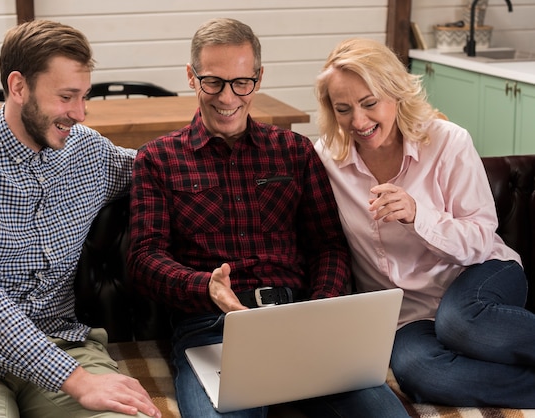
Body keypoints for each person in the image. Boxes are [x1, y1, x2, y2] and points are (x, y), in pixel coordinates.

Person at [127, 18, 409, 418]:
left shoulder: (294, 151)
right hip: (212, 329)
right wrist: (205, 287)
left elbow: (328, 245)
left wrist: (321, 309)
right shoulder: (158, 158)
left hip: (298, 319)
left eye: (241, 82)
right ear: (191, 77)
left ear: (258, 79)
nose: (228, 97)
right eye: (213, 81)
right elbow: (143, 259)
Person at [0, 19, 161, 418]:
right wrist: (80, 382)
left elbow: (162, 172)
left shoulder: (88, 152)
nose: (79, 113)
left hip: (61, 342)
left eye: (84, 96)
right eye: (66, 97)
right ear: (18, 87)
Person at [314, 37, 535, 408]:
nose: (359, 121)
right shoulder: (327, 160)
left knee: (459, 324)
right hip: (405, 313)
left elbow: (481, 238)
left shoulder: (448, 142)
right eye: (343, 109)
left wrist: (420, 215)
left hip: (476, 274)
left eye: (370, 103)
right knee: (421, 372)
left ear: (396, 93)